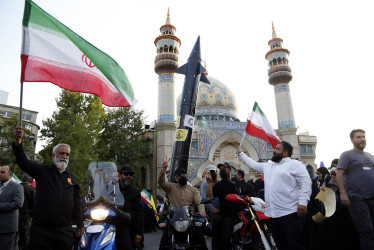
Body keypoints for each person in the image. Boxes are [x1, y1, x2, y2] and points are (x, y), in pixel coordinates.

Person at [12, 126, 84, 250]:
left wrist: (80, 224)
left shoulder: (71, 177)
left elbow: (76, 202)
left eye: (67, 154)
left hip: (64, 231)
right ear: (53, 155)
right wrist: (18, 142)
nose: (64, 156)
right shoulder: (42, 171)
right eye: (61, 153)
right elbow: (23, 162)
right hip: (41, 230)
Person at [238, 141, 311, 250]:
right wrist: (241, 154)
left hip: (290, 213)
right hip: (274, 215)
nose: (274, 150)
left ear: (285, 153)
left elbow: (305, 182)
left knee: (294, 245)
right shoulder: (269, 166)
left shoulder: (294, 164)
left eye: (277, 149)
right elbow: (253, 164)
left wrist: (303, 202)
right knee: (280, 245)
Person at [336, 129, 374, 250]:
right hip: (357, 198)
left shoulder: (369, 155)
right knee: (366, 230)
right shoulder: (347, 155)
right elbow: (339, 173)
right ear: (352, 140)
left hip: (372, 197)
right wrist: (343, 193)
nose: (362, 139)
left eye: (363, 137)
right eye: (358, 137)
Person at [158, 157, 207, 250]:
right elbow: (161, 182)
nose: (183, 176)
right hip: (173, 219)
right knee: (164, 240)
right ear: (176, 178)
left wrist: (202, 212)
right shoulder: (171, 187)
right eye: (181, 175)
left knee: (200, 237)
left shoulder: (193, 190)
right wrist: (163, 170)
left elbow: (199, 202)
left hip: (189, 218)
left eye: (185, 174)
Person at [212, 162, 242, 250]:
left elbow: (243, 195)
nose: (222, 170)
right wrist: (210, 183)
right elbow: (210, 197)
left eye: (224, 168)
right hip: (227, 215)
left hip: (239, 214)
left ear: (229, 170)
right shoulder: (218, 185)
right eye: (221, 169)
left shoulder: (235, 183)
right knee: (225, 239)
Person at [116, 165, 144, 250]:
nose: (128, 176)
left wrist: (139, 233)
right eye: (126, 174)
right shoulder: (112, 189)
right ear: (120, 175)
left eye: (131, 175)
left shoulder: (135, 192)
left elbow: (139, 213)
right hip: (111, 225)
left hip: (127, 226)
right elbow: (101, 199)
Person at [0, 165, 24, 250]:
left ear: (10, 174)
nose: (0, 174)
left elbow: (18, 204)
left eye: (2, 172)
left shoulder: (17, 187)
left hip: (7, 227)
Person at [19, 173, 36, 250]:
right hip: (27, 217)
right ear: (29, 180)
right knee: (26, 237)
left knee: (15, 236)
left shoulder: (16, 187)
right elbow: (35, 205)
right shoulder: (32, 190)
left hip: (14, 216)